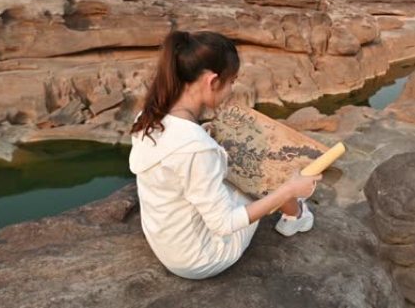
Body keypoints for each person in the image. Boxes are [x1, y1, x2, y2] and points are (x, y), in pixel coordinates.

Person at [128, 30, 322, 280]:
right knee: (265, 170)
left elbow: (178, 161)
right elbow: (225, 224)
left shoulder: (147, 118)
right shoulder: (195, 147)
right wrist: (289, 189)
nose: (231, 90)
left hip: (167, 244)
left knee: (238, 168)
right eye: (231, 82)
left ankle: (292, 210)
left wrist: (204, 134)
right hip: (203, 257)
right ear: (212, 81)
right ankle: (295, 215)